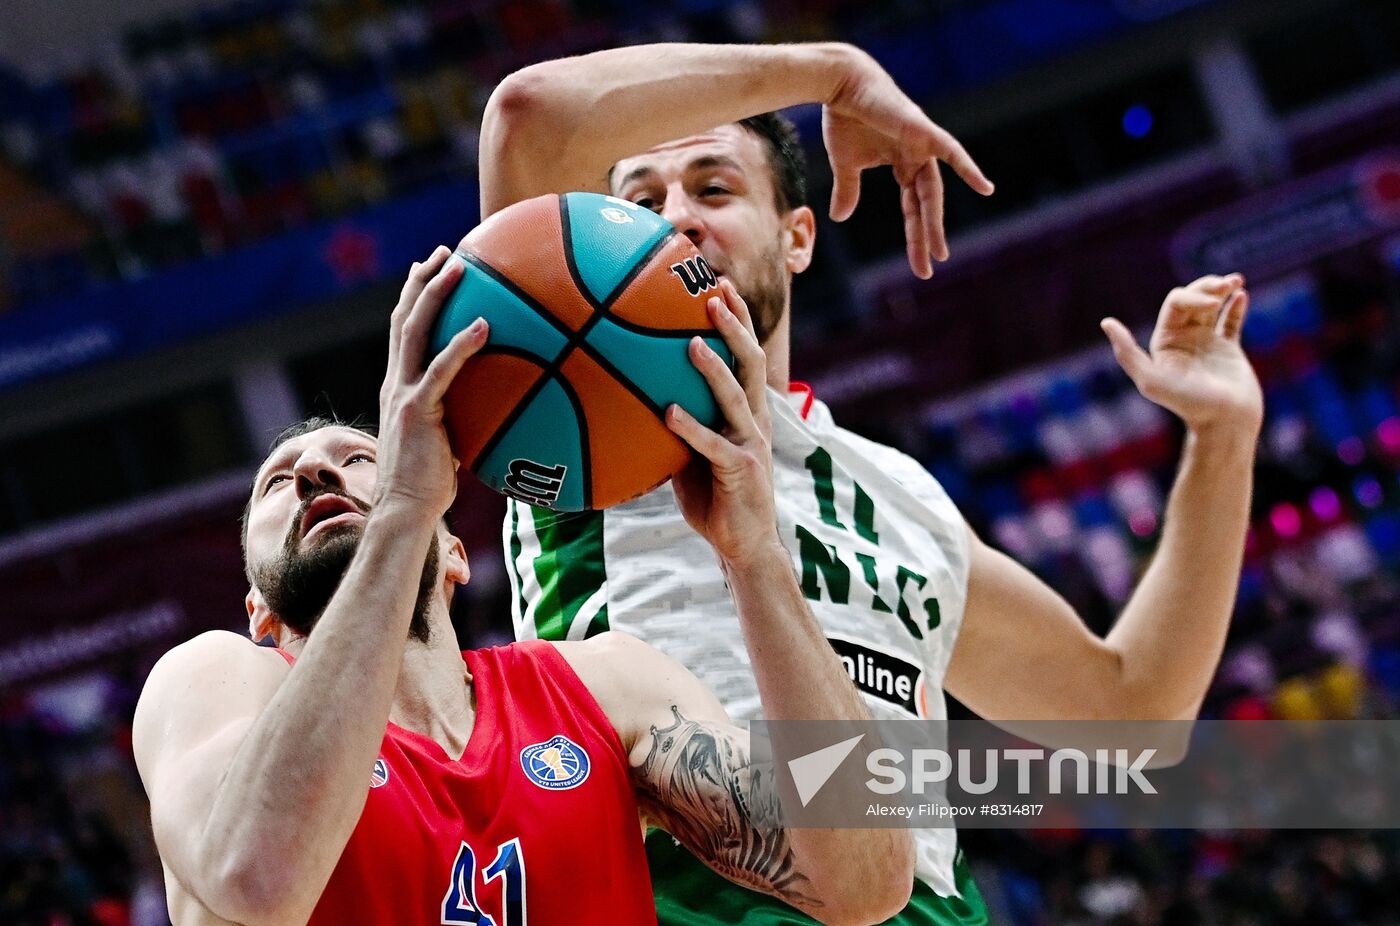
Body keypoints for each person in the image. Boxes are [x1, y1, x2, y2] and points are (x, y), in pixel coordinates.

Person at [481, 41, 1264, 924]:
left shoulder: (900, 488)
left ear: (798, 235)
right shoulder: (588, 419)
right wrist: (839, 73)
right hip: (705, 888)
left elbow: (1133, 714)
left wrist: (1224, 436)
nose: (676, 220)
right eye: (640, 202)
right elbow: (530, 114)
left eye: (713, 188)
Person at [130, 247, 915, 926]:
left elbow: (863, 884)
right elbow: (255, 875)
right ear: (258, 612)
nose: (312, 470)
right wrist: (400, 506)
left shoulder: (603, 684)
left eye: (362, 457)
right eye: (276, 485)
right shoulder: (211, 680)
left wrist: (756, 557)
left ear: (454, 553)